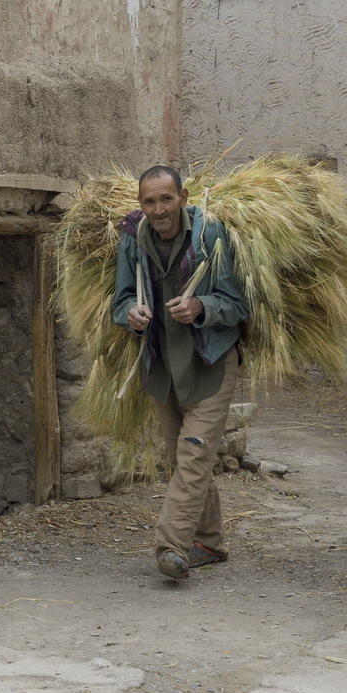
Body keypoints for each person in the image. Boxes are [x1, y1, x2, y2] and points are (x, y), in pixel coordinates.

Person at [110, 165, 249, 580]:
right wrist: (129, 315)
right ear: (141, 204)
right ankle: (209, 542)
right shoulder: (133, 241)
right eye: (149, 201)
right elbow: (120, 300)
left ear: (183, 197)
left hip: (210, 362)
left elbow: (239, 304)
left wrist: (201, 307)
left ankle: (172, 548)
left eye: (166, 199)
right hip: (163, 366)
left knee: (191, 454)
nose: (158, 209)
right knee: (182, 457)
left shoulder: (211, 235)